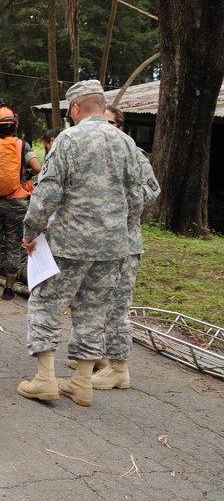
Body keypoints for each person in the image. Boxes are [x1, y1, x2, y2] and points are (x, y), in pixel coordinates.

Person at [18, 79, 143, 408]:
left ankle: (45, 379)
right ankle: (82, 382)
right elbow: (138, 197)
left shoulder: (68, 139)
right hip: (114, 246)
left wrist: (31, 231)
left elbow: (47, 192)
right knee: (94, 311)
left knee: (46, 303)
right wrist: (121, 228)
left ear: (75, 108)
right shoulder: (127, 144)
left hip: (69, 243)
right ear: (102, 106)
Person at [75, 106, 160, 390]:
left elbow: (151, 190)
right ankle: (96, 355)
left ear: (120, 127)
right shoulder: (90, 153)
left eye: (111, 123)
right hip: (93, 242)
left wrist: (116, 205)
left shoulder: (133, 154)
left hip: (123, 242)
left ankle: (119, 367)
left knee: (116, 305)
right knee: (92, 301)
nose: (104, 128)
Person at [0, 105, 41, 300]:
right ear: (15, 125)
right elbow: (37, 168)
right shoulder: (21, 145)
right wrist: (24, 174)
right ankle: (9, 289)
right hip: (17, 202)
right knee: (14, 244)